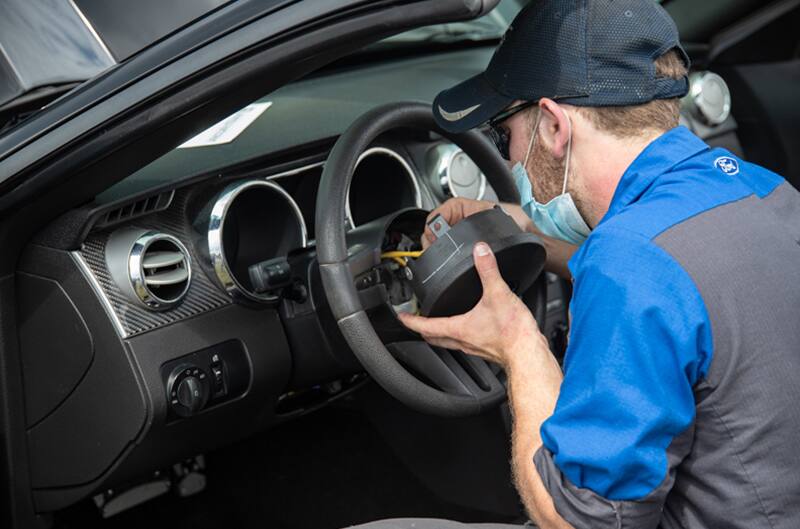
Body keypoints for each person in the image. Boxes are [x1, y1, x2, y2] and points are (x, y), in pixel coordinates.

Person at [353, 1, 800, 528]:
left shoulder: (630, 265)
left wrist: (518, 344)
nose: (511, 160)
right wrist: (519, 225)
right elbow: (677, 284)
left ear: (554, 127)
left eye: (504, 136)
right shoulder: (764, 190)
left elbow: (579, 521)